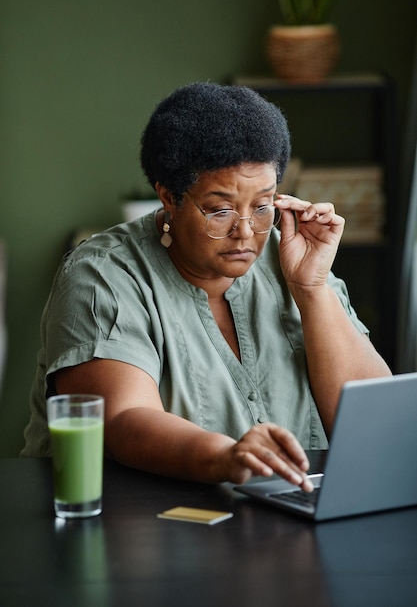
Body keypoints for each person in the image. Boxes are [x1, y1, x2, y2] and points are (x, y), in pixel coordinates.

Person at [21, 82, 391, 491]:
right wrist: (224, 456)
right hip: (135, 524)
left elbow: (374, 426)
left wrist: (312, 289)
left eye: (264, 205)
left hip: (282, 519)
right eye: (219, 210)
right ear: (168, 197)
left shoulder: (290, 256)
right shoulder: (102, 276)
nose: (246, 231)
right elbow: (123, 419)